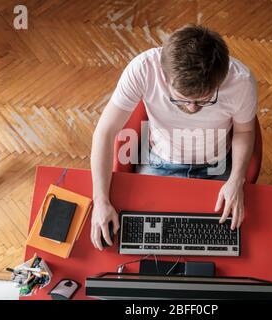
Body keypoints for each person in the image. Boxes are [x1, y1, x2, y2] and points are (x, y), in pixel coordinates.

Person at [90, 24, 257, 250]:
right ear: (165, 76)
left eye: (203, 100)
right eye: (182, 99)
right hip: (160, 161)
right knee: (138, 238)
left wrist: (236, 180)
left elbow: (244, 131)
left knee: (226, 240)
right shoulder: (143, 68)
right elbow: (105, 131)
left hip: (216, 165)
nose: (191, 108)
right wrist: (100, 201)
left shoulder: (240, 81)